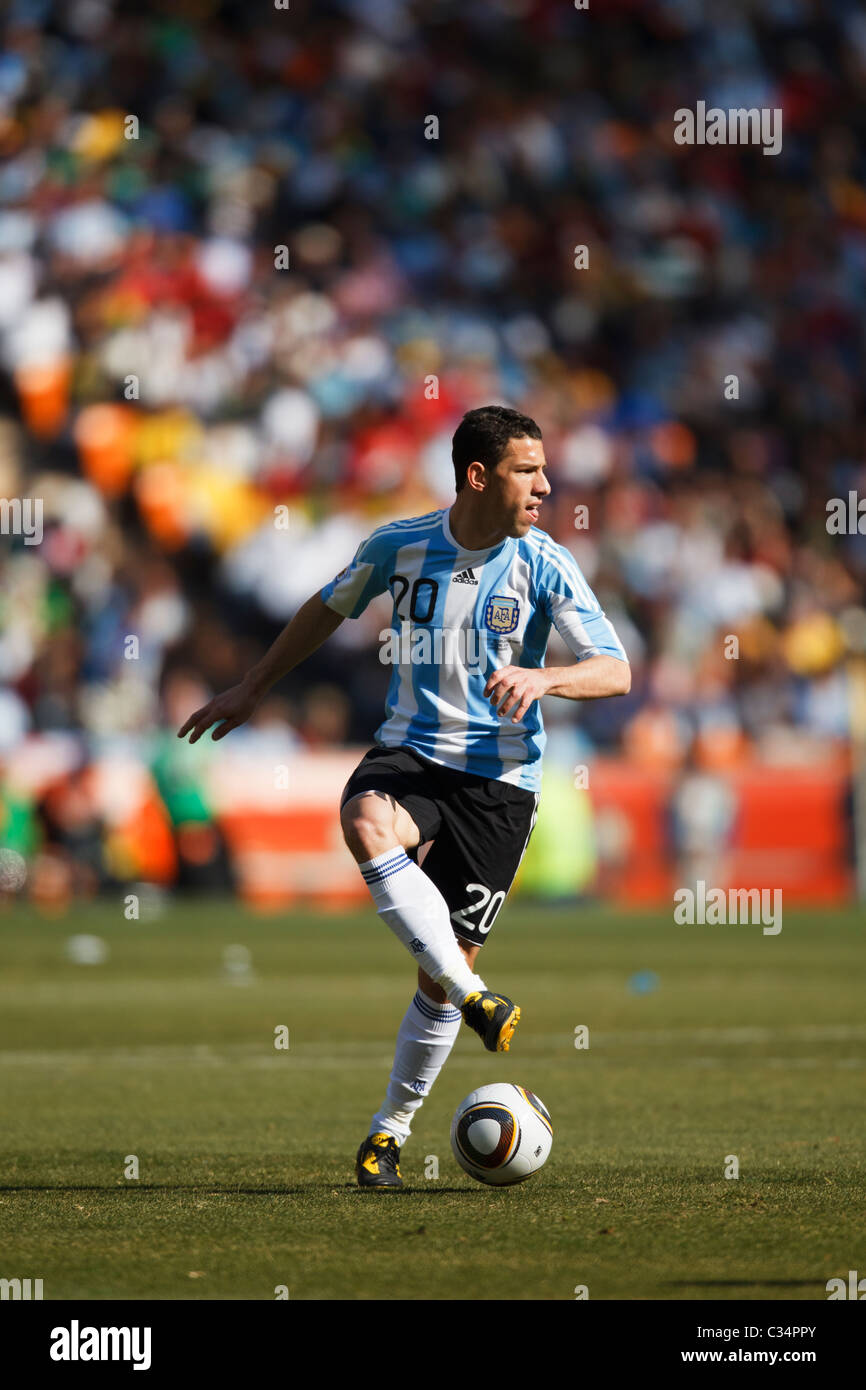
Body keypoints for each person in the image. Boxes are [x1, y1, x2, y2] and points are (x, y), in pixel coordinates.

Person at [177, 405, 631, 1188]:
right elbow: (328, 605)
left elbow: (615, 668)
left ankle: (389, 1131)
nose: (546, 485)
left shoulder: (545, 562)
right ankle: (478, 998)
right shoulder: (400, 545)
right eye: (529, 470)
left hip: (499, 783)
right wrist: (254, 684)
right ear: (479, 476)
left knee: (437, 978)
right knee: (363, 819)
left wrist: (546, 675)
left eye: (545, 470)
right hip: (411, 753)